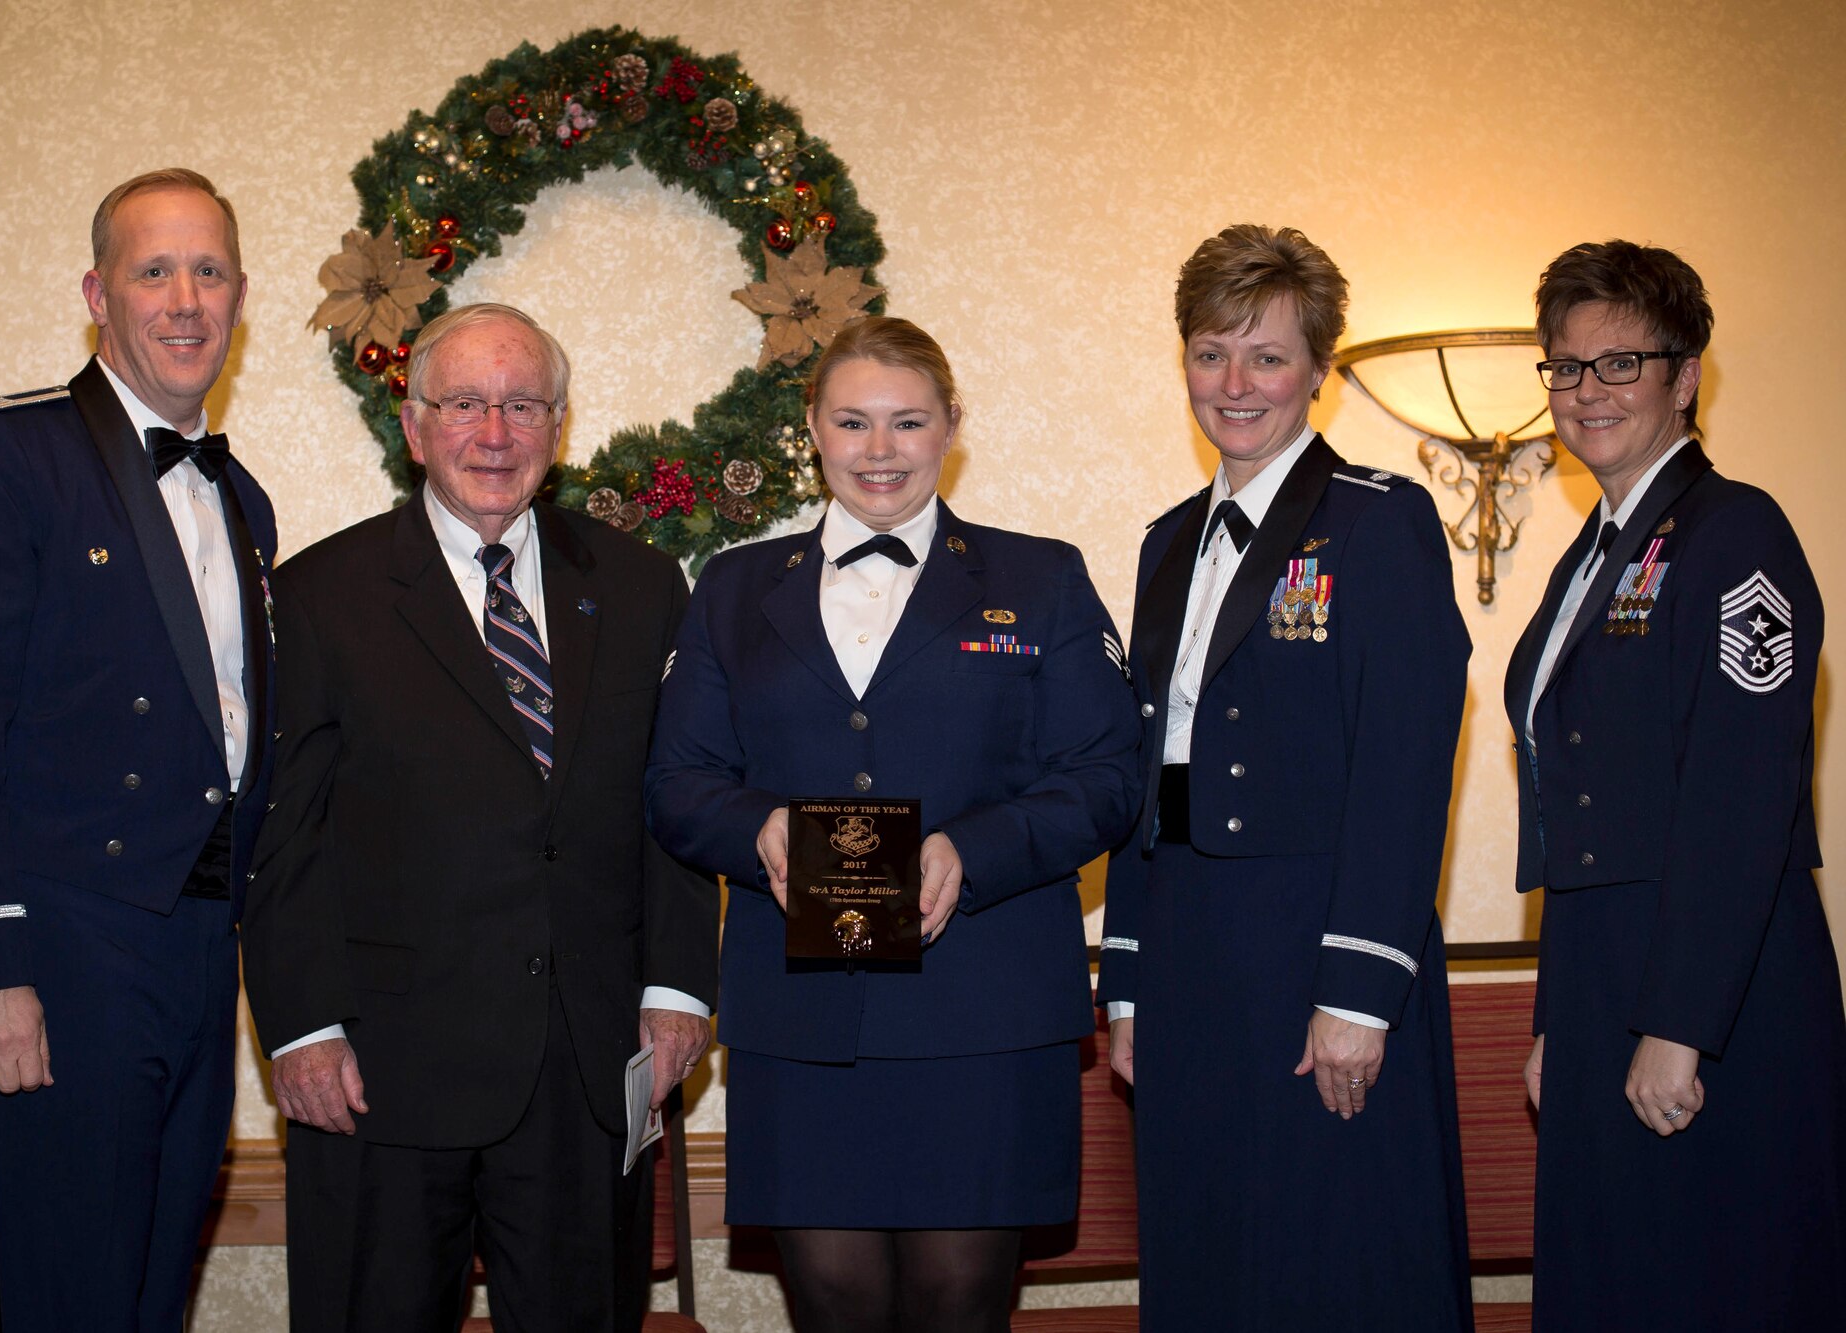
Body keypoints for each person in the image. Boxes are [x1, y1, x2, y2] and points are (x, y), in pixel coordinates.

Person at [645, 315, 1140, 1333]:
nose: (880, 450)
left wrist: (975, 846)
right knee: (833, 1307)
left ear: (951, 426)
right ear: (812, 431)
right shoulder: (735, 588)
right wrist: (759, 829)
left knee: (960, 1307)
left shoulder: (1038, 579)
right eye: (853, 421)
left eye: (908, 422)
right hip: (803, 1016)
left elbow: (1105, 776)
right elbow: (677, 781)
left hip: (986, 1011)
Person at [240, 301, 719, 1332]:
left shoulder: (639, 587)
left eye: (521, 405)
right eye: (462, 403)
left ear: (559, 426)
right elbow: (282, 835)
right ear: (413, 427)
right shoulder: (322, 593)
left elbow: (673, 802)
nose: (492, 434)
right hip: (376, 1070)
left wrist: (678, 986)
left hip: (588, 1064)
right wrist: (301, 1027)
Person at [0, 168, 275, 1330]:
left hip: (200, 952)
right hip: (56, 958)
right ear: (96, 294)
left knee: (149, 1296)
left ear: (241, 295)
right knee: (63, 1299)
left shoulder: (240, 500)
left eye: (208, 271)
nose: (185, 299)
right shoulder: (5, 454)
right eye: (155, 270)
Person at [1097, 224, 1473, 1330]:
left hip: (1318, 948)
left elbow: (1405, 771)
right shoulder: (1167, 541)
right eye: (1210, 353)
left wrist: (1358, 993)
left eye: (1265, 355)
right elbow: (1141, 767)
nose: (1234, 383)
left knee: (1338, 1258)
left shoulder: (1376, 519)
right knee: (1209, 1247)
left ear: (1316, 368)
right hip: (1187, 956)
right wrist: (1125, 979)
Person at [1509, 239, 1846, 1328]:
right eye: (1564, 366)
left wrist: (1677, 1023)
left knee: (1711, 1282)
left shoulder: (1730, 530)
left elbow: (1739, 800)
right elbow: (1575, 815)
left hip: (1718, 990)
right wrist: (1564, 1014)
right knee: (1616, 1280)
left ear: (1684, 373)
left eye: (1620, 362)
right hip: (1608, 973)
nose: (1584, 391)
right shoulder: (1592, 552)